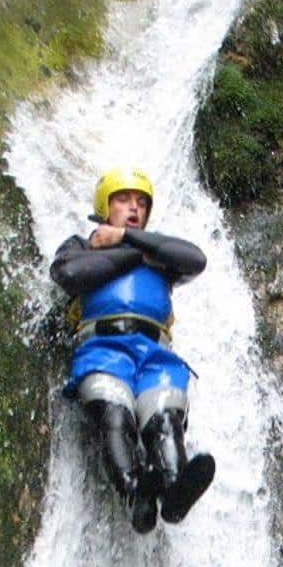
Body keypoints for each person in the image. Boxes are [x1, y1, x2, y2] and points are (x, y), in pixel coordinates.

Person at [51, 167, 216, 534]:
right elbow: (69, 273)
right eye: (123, 200)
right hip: (104, 349)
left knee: (165, 422)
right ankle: (134, 493)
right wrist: (135, 253)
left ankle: (174, 492)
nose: (134, 207)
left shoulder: (160, 251)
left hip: (156, 355)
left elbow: (196, 259)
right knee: (114, 415)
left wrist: (129, 239)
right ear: (104, 206)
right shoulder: (83, 245)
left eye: (141, 202)